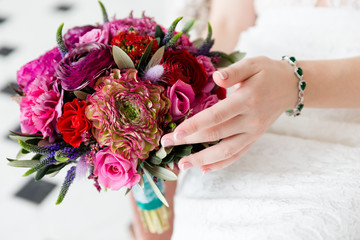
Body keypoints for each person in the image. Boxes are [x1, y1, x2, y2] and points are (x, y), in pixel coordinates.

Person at [133, 0, 360, 239]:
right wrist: (176, 105)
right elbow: (226, 26)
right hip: (239, 124)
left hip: (340, 135)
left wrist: (291, 84)